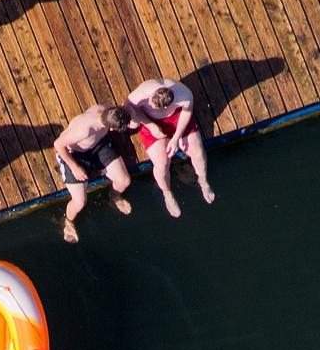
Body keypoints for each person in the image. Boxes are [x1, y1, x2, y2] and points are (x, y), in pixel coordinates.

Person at [125, 78, 215, 217]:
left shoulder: (184, 95)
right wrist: (150, 125)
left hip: (176, 117)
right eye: (150, 101)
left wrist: (176, 137)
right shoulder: (142, 94)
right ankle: (167, 193)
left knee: (198, 152)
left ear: (167, 105)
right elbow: (129, 110)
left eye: (153, 105)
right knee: (162, 163)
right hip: (149, 120)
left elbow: (186, 113)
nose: (148, 103)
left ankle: (203, 180)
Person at [53, 104, 133, 243]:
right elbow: (58, 144)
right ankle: (68, 221)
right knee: (80, 202)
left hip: (98, 145)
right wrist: (75, 167)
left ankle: (113, 196)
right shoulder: (83, 130)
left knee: (124, 181)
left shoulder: (107, 110)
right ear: (112, 127)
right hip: (75, 155)